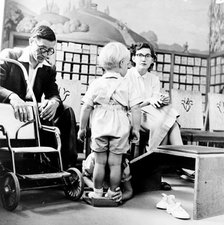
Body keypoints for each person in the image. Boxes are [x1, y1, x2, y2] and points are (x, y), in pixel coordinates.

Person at [0, 25, 77, 169]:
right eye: (42, 48)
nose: (46, 54)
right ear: (31, 42)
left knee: (66, 111)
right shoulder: (10, 56)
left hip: (31, 114)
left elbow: (53, 93)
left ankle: (64, 167)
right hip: (8, 112)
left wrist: (54, 101)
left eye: (50, 50)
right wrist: (13, 97)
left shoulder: (48, 67)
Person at [78, 42, 141, 199]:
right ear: (121, 64)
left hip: (99, 127)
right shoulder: (127, 84)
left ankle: (97, 192)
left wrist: (82, 128)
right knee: (115, 164)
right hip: (120, 128)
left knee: (99, 163)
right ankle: (113, 193)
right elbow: (136, 109)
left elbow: (86, 107)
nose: (128, 67)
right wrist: (136, 129)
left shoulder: (96, 83)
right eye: (127, 64)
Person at [126, 42, 184, 189]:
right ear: (133, 57)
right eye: (139, 55)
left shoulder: (154, 79)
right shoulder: (127, 76)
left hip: (151, 114)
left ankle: (159, 170)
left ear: (152, 59)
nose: (143, 59)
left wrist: (160, 100)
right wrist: (150, 101)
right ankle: (180, 164)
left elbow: (155, 103)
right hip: (133, 114)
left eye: (147, 55)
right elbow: (128, 104)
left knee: (169, 122)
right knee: (167, 122)